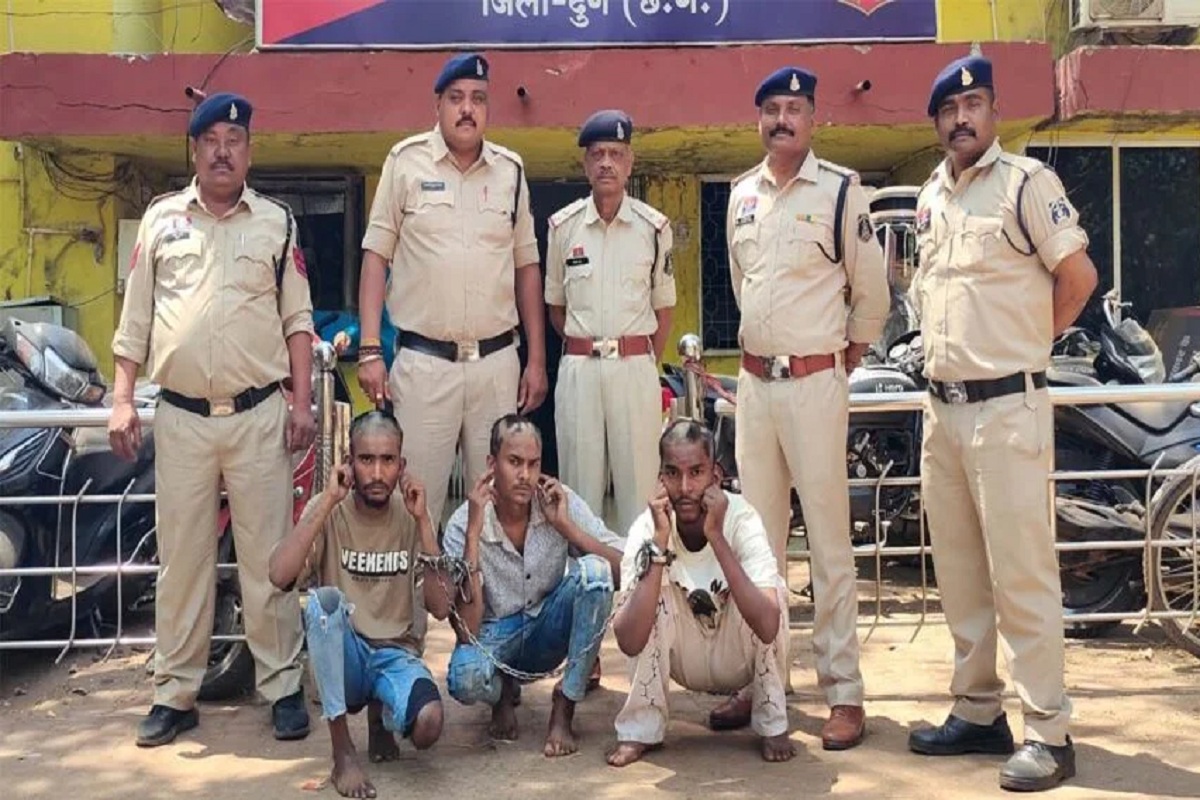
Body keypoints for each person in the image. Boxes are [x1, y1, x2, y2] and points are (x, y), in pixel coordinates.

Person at [905, 55, 1098, 792]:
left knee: (1022, 576)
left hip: (1008, 410)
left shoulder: (1026, 184)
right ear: (937, 121)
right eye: (950, 110)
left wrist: (1027, 346)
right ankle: (978, 710)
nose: (962, 118)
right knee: (960, 576)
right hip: (944, 410)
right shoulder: (930, 197)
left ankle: (1049, 730)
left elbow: (1078, 279)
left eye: (974, 104)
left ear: (993, 111)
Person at [109, 91, 315, 747]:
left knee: (268, 559)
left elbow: (298, 321)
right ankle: (174, 693)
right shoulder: (161, 220)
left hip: (259, 415)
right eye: (211, 141)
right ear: (194, 150)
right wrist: (121, 398)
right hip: (181, 418)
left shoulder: (276, 223)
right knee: (182, 561)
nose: (223, 152)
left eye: (234, 140)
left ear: (249, 152)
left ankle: (281, 686)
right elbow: (135, 321)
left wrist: (302, 402)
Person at [719, 66, 889, 749]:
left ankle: (843, 692)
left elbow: (870, 292)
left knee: (827, 541)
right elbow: (744, 286)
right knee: (758, 543)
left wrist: (842, 356)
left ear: (814, 119)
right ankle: (765, 682)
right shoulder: (740, 195)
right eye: (771, 109)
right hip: (756, 386)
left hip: (817, 383)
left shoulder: (842, 191)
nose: (781, 119)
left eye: (793, 108)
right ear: (758, 120)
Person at [357, 52, 547, 528]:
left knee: (502, 510)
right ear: (438, 105)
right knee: (413, 507)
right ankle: (418, 583)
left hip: (496, 365)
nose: (467, 109)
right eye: (456, 98)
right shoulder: (405, 162)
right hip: (424, 366)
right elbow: (376, 256)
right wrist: (369, 349)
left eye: (478, 99)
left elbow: (526, 266)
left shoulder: (510, 171)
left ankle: (489, 583)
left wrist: (537, 360)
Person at [268, 412, 445, 799]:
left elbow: (441, 607)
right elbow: (279, 575)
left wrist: (424, 524)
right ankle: (342, 751)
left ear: (402, 465)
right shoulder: (330, 507)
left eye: (388, 460)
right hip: (345, 655)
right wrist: (328, 500)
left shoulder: (412, 512)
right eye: (366, 460)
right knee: (322, 605)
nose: (377, 473)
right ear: (349, 462)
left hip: (395, 652)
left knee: (429, 725)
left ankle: (381, 718)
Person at [607, 419, 795, 766]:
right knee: (650, 590)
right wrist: (659, 545)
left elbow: (768, 624)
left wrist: (716, 536)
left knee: (773, 594)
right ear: (660, 479)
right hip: (685, 658)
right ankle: (641, 727)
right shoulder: (648, 526)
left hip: (735, 656)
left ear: (715, 476)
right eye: (673, 474)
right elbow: (628, 640)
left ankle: (771, 721)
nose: (684, 487)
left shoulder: (742, 518)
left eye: (696, 472)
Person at [437, 415, 623, 757]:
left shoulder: (558, 500)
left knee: (596, 574)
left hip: (547, 626)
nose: (525, 475)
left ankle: (565, 705)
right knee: (465, 679)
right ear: (491, 464)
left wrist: (567, 527)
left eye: (533, 464)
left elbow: (624, 569)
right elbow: (467, 631)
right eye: (514, 462)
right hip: (495, 635)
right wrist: (474, 535)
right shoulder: (463, 522)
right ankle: (502, 692)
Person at [545, 109, 676, 538]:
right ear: (585, 164)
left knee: (639, 488)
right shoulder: (563, 228)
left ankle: (641, 574)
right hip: (580, 370)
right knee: (579, 491)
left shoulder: (653, 228)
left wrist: (639, 358)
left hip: (634, 368)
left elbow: (664, 309)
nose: (606, 163)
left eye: (615, 154)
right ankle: (587, 576)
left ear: (629, 163)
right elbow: (556, 308)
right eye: (598, 154)